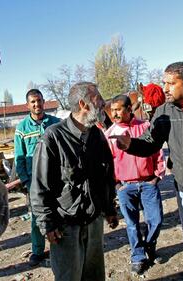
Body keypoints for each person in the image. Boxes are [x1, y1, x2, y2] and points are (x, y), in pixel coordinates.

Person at [109, 61, 183, 281]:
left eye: (170, 83)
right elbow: (151, 142)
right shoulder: (164, 111)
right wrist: (131, 144)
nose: (164, 88)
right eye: (164, 82)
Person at [30, 82, 119, 281]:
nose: (103, 102)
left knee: (95, 276)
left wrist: (109, 208)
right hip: (65, 228)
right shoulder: (53, 137)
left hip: (94, 222)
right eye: (98, 98)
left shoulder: (97, 135)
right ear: (83, 104)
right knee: (69, 277)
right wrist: (47, 224)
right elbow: (39, 187)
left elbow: (106, 176)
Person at [105, 94, 165, 275]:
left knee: (155, 220)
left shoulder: (146, 127)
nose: (114, 113)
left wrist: (157, 177)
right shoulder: (110, 135)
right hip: (125, 187)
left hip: (148, 183)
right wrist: (116, 185)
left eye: (118, 109)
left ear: (129, 109)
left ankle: (150, 247)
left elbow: (158, 153)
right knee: (131, 224)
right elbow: (108, 163)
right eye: (112, 110)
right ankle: (138, 256)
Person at [14, 89, 60, 266]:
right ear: (28, 105)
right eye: (33, 102)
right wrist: (26, 181)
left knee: (57, 214)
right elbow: (19, 157)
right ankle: (38, 251)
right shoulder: (22, 128)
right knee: (36, 219)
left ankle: (58, 247)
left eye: (39, 100)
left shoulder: (55, 123)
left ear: (43, 102)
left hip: (56, 180)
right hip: (34, 183)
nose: (36, 104)